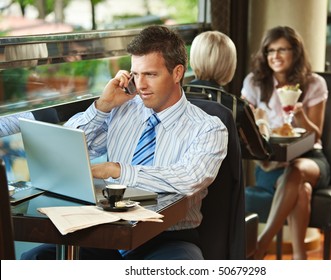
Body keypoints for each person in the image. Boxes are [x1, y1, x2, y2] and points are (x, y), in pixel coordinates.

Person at [21, 25, 228, 260]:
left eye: (150, 74)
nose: (140, 85)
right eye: (135, 74)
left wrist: (116, 170)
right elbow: (63, 151)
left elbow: (188, 178)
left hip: (167, 238)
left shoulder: (209, 127)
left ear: (178, 72)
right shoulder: (122, 110)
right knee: (35, 260)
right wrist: (102, 107)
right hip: (108, 232)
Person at [241, 26, 330, 260]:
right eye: (270, 51)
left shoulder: (314, 84)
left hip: (310, 160)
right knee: (303, 191)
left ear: (296, 52)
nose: (275, 56)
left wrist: (301, 116)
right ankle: (300, 259)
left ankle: (261, 245)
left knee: (297, 170)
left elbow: (316, 137)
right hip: (272, 164)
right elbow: (243, 125)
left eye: (282, 50)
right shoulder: (255, 83)